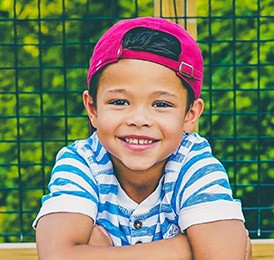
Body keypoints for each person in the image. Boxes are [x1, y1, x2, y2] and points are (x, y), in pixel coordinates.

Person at [33, 17, 252, 259]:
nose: (139, 119)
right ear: (93, 109)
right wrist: (185, 249)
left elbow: (224, 256)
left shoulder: (194, 163)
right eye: (119, 102)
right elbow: (57, 256)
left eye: (161, 104)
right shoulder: (82, 162)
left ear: (190, 115)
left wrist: (97, 253)